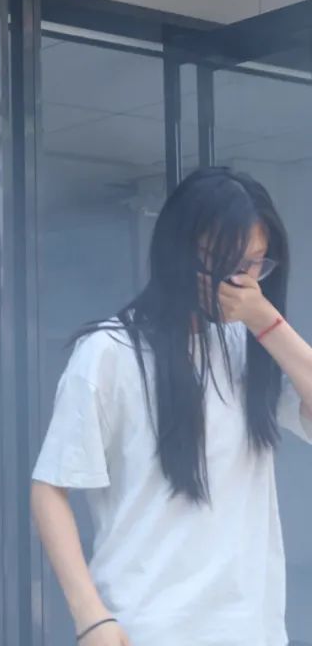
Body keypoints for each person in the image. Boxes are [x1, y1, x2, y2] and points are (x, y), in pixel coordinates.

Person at [31, 167, 312, 646]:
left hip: (253, 631)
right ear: (180, 252)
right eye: (226, 264)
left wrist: (267, 321)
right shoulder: (110, 352)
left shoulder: (249, 345)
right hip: (146, 627)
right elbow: (50, 488)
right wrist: (90, 616)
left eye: (255, 265)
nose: (241, 281)